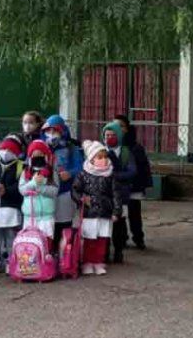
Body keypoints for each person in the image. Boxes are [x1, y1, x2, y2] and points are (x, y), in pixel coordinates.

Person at [71, 140, 122, 276]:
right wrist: (81, 198)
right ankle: (87, 262)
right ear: (92, 159)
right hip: (90, 213)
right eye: (100, 157)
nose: (104, 160)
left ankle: (99, 262)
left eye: (105, 157)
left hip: (105, 212)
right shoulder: (83, 174)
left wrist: (117, 211)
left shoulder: (110, 175)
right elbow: (75, 190)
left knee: (102, 240)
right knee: (89, 240)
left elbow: (116, 194)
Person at [0, 136, 25, 274]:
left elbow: (19, 185)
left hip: (11, 207)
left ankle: (10, 261)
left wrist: (6, 190)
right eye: (4, 148)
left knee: (10, 237)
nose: (6, 152)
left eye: (10, 149)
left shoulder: (20, 166)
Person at [42, 115, 83, 248]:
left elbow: (80, 167)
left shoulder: (72, 148)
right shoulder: (39, 146)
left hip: (65, 191)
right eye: (48, 130)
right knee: (47, 224)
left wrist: (70, 173)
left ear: (63, 131)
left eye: (55, 130)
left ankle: (64, 254)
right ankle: (48, 253)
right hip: (45, 192)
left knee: (64, 223)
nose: (51, 134)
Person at [102, 120, 137, 264]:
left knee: (119, 224)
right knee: (103, 224)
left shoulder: (126, 152)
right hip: (103, 193)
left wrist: (115, 175)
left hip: (120, 194)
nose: (109, 138)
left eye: (112, 135)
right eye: (107, 135)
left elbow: (132, 171)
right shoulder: (100, 151)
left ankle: (118, 250)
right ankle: (104, 252)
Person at [115, 115, 152, 250]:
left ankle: (138, 237)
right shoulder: (112, 146)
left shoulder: (136, 147)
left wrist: (139, 185)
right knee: (120, 214)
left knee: (134, 214)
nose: (118, 129)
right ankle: (122, 238)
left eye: (121, 126)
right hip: (119, 186)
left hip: (133, 186)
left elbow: (142, 169)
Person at [18, 140, 58, 243]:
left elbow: (54, 191)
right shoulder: (26, 172)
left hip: (47, 218)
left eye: (40, 154)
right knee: (30, 245)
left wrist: (40, 187)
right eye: (34, 154)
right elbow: (22, 190)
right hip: (29, 217)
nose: (37, 156)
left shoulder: (52, 172)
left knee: (46, 244)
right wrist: (33, 182)